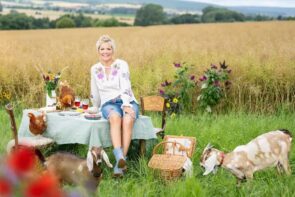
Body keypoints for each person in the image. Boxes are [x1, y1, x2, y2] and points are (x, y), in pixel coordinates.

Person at [90, 35, 139, 177]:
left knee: (128, 119)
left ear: (113, 50)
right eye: (102, 49)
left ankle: (119, 165)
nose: (106, 52)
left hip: (127, 101)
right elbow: (95, 90)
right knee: (115, 118)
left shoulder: (121, 64)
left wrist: (126, 105)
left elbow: (126, 85)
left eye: (109, 48)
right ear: (98, 50)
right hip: (108, 104)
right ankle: (120, 158)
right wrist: (95, 106)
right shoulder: (94, 68)